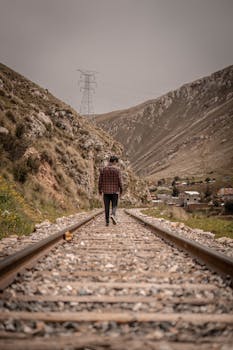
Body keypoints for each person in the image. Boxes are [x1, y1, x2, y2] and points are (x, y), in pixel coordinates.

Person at [98, 155, 123, 226]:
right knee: (114, 205)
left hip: (105, 192)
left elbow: (100, 181)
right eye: (116, 162)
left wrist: (99, 190)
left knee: (106, 207)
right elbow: (120, 181)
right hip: (115, 191)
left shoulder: (103, 169)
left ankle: (107, 222)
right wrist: (121, 190)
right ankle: (113, 214)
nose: (116, 164)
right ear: (114, 161)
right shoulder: (117, 170)